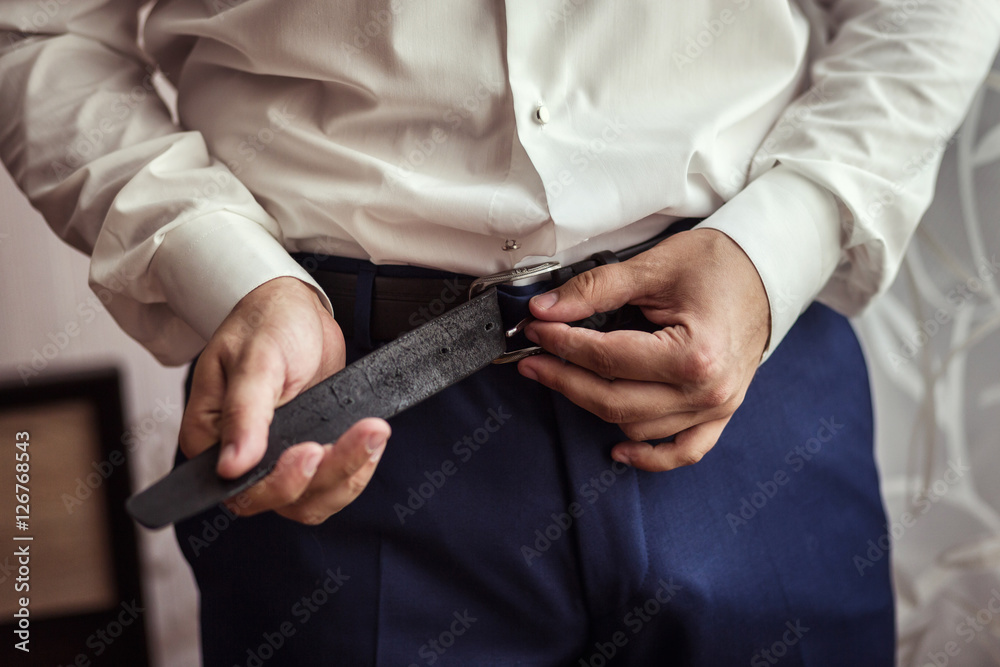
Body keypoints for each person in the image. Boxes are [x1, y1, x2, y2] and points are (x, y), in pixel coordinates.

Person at [2, 1, 998, 664]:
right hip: (342, 421)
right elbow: (34, 28)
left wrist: (789, 232)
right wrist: (223, 266)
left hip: (749, 378)